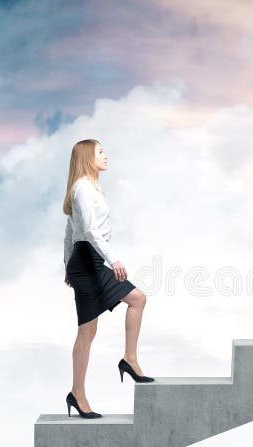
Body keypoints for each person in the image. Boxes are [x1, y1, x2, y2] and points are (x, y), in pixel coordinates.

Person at [62, 139, 155, 419]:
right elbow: (86, 229)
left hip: (88, 260)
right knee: (87, 332)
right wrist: (111, 259)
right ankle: (78, 393)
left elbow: (70, 231)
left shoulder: (91, 189)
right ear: (87, 157)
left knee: (135, 300)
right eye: (100, 151)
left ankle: (129, 359)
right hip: (88, 261)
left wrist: (67, 265)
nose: (105, 155)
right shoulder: (81, 189)